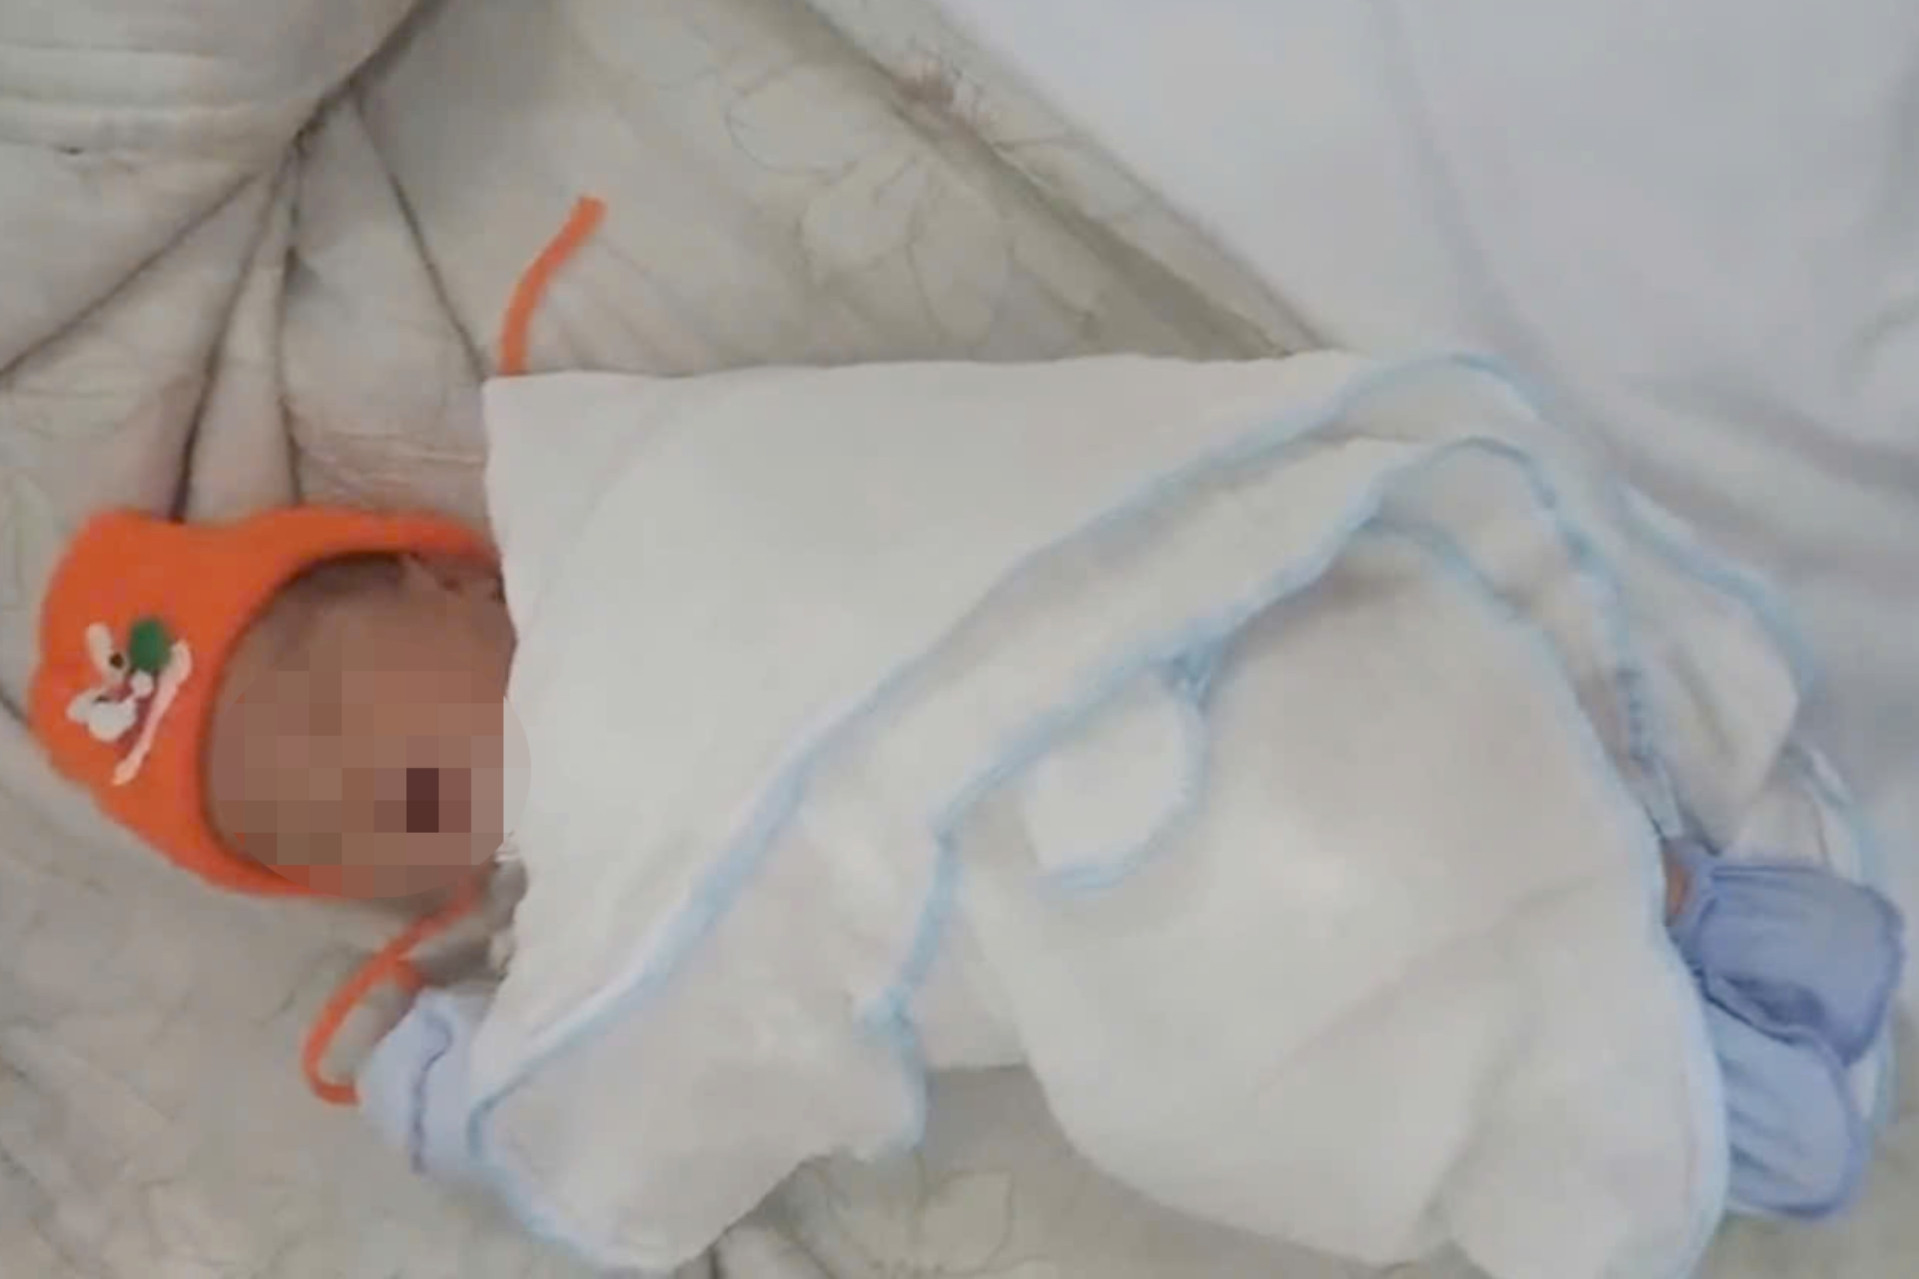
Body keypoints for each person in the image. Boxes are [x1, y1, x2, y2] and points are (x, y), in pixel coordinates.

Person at [25, 500, 1905, 1232]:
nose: (365, 793)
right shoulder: (596, 915)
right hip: (1065, 946)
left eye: (334, 707)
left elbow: (920, 508)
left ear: (450, 576)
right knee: (1232, 1044)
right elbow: (663, 1056)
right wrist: (479, 1084)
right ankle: (1615, 1039)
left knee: (1322, 738)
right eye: (316, 835)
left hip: (1106, 706)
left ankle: (1624, 904)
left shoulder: (647, 541)